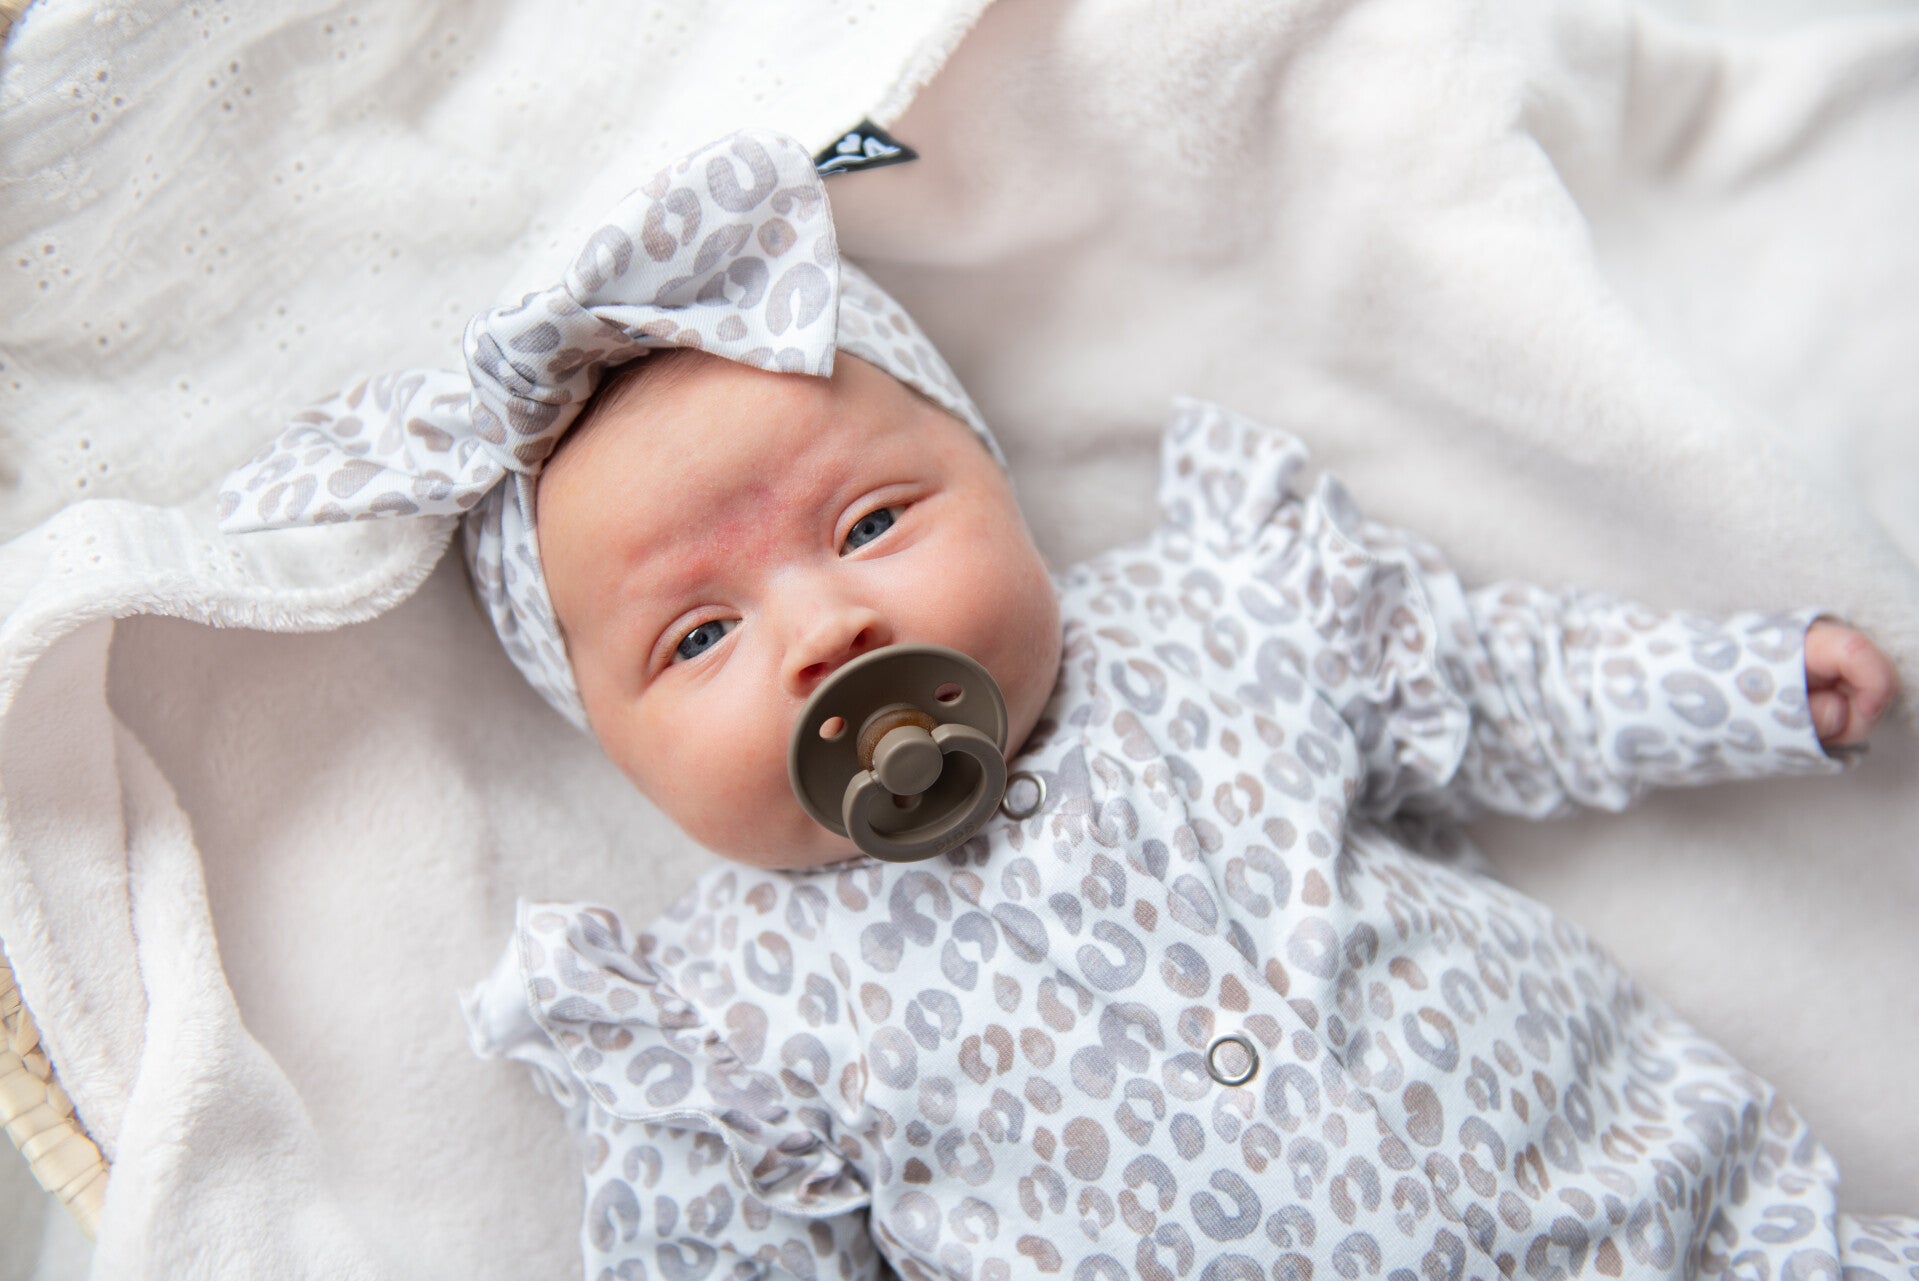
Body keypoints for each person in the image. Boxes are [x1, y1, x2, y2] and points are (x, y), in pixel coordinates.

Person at [221, 130, 1909, 1281]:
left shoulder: (1220, 618)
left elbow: (1495, 684)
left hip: (1684, 1211)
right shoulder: (730, 1033)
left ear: (998, 482)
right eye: (701, 634)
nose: (825, 628)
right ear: (614, 745)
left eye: (870, 525)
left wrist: (1740, 684)